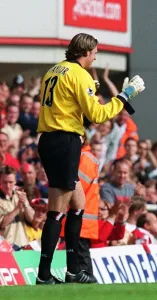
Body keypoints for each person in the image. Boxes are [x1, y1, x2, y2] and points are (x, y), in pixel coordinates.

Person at [36, 33, 145, 285]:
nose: (96, 56)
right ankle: (43, 275)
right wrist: (125, 96)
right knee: (56, 212)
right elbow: (96, 115)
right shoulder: (79, 74)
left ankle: (74, 270)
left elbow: (66, 101)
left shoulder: (54, 70)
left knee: (78, 206)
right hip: (64, 140)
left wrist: (91, 91)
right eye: (95, 52)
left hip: (51, 139)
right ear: (86, 52)